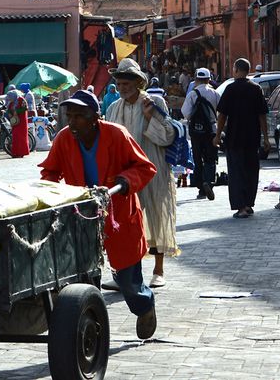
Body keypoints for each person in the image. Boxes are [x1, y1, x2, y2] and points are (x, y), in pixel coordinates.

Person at [38, 90, 159, 340]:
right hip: (82, 216)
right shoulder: (64, 138)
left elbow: (145, 167)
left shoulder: (116, 135)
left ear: (94, 117)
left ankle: (144, 306)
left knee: (127, 278)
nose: (72, 121)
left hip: (118, 213)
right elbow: (50, 173)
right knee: (83, 277)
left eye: (79, 116)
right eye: (69, 115)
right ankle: (90, 325)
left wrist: (125, 180)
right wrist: (51, 194)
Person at [107, 58, 178, 288]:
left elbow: (167, 136)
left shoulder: (153, 102)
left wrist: (149, 119)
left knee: (156, 218)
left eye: (126, 84)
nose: (122, 88)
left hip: (152, 169)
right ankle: (125, 274)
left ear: (138, 83)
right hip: (125, 175)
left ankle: (159, 270)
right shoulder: (112, 108)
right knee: (125, 224)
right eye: (119, 84)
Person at [215, 58, 270, 219]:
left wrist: (218, 135)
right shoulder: (256, 89)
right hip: (252, 138)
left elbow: (222, 115)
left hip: (235, 138)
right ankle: (248, 203)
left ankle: (242, 207)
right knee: (251, 172)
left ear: (236, 70)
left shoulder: (231, 89)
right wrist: (265, 138)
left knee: (236, 172)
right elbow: (262, 115)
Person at [181, 68, 220, 200]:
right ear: (209, 79)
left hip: (196, 132)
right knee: (210, 159)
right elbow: (221, 114)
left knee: (198, 159)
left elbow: (185, 113)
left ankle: (201, 189)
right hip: (211, 130)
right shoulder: (215, 94)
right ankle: (208, 182)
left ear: (196, 80)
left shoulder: (193, 94)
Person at [6, 85, 30, 158]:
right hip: (15, 122)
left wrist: (17, 111)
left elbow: (25, 108)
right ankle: (15, 152)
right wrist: (9, 113)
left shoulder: (21, 100)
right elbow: (9, 109)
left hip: (21, 121)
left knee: (21, 137)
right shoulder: (11, 102)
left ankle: (21, 152)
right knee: (15, 137)